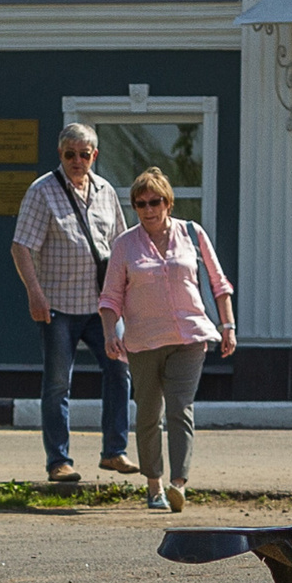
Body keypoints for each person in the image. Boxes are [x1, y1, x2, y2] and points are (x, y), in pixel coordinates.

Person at [96, 166, 233, 513]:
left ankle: (178, 484)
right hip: (142, 342)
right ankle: (153, 484)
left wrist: (228, 326)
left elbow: (219, 283)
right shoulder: (125, 244)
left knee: (180, 409)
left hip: (189, 338)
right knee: (148, 414)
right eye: (140, 204)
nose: (148, 209)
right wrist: (111, 333)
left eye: (155, 201)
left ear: (168, 203)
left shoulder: (192, 233)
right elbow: (110, 297)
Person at [9, 123, 137, 485]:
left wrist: (128, 296)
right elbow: (21, 246)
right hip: (58, 306)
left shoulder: (106, 190)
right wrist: (35, 293)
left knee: (119, 372)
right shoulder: (43, 191)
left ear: (94, 155)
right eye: (70, 154)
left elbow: (121, 245)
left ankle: (114, 451)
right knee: (57, 385)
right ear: (60, 155)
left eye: (85, 154)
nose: (78, 161)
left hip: (102, 306)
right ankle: (59, 461)